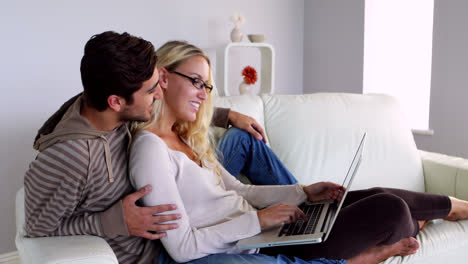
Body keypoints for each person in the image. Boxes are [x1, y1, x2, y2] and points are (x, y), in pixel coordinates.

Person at [130, 40, 464, 264]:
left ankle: (453, 208)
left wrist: (302, 191)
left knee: (376, 196)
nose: (204, 95)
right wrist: (258, 220)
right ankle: (383, 243)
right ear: (162, 77)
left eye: (207, 85)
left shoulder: (186, 138)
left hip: (267, 230)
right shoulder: (150, 148)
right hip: (251, 240)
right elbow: (181, 247)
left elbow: (241, 190)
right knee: (391, 210)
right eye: (196, 82)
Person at [23, 31, 295, 264]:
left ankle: (311, 211)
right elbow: (36, 229)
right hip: (156, 252)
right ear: (116, 102)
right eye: (151, 91)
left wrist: (226, 116)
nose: (160, 94)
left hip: (175, 202)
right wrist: (113, 220)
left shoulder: (109, 101)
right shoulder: (70, 157)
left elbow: (169, 104)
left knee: (242, 139)